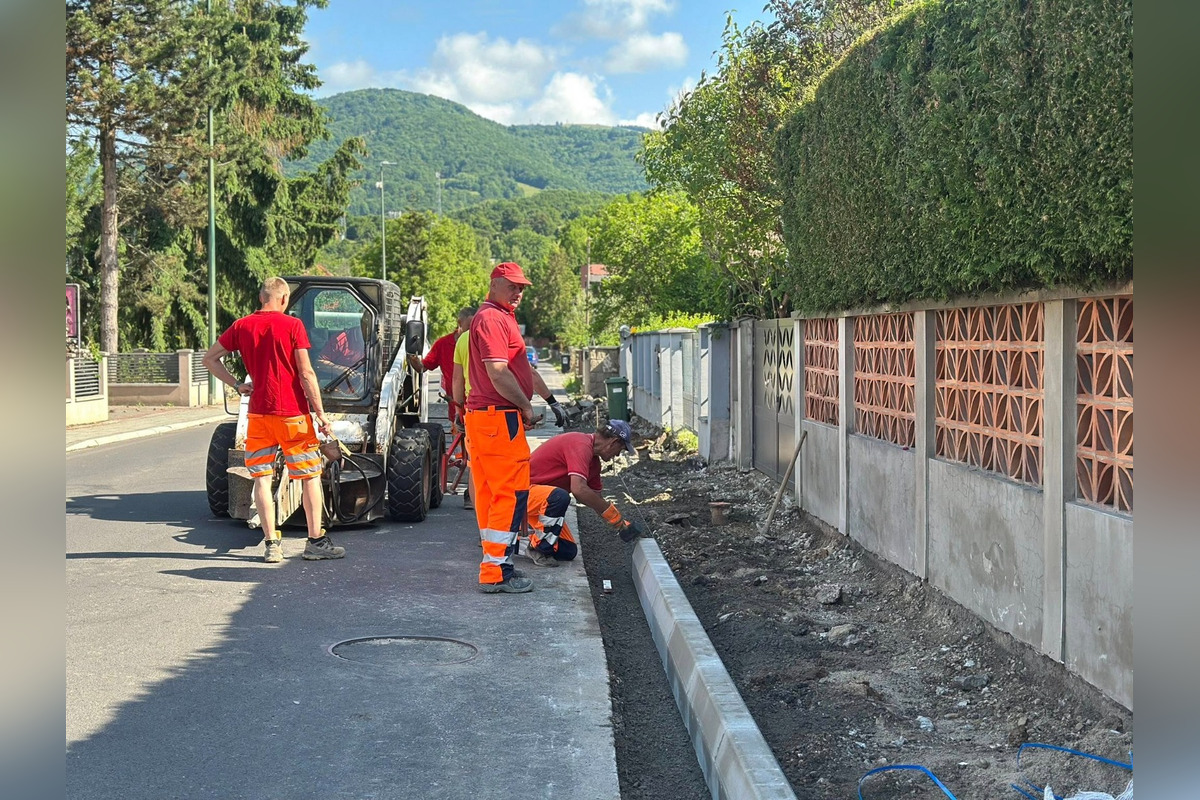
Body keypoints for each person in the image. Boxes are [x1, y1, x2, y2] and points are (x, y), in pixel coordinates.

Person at [201, 277, 346, 564]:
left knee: (262, 479)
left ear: (261, 297)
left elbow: (210, 359)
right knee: (310, 478)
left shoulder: (241, 326)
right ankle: (315, 541)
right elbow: (306, 374)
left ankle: (271, 545)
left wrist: (236, 384)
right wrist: (320, 416)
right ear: (284, 299)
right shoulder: (292, 326)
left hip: (258, 415)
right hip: (293, 415)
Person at [463, 262, 567, 594]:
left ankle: (494, 566)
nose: (519, 293)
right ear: (494, 285)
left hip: (485, 419)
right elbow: (498, 372)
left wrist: (550, 401)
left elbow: (523, 370)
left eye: (522, 288)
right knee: (510, 494)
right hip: (499, 419)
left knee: (491, 495)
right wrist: (525, 405)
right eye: (512, 286)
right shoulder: (493, 319)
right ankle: (497, 572)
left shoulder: (499, 317)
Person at [523, 420, 645, 567]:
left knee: (568, 551)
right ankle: (535, 549)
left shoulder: (593, 464)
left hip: (540, 503)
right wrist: (614, 517)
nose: (618, 454)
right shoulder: (579, 443)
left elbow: (596, 499)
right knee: (560, 497)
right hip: (521, 494)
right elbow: (579, 490)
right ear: (614, 442)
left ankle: (519, 541)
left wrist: (620, 524)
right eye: (621, 448)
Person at [407, 306, 475, 424]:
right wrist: (413, 356)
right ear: (459, 323)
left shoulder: (480, 342)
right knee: (459, 440)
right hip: (457, 409)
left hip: (478, 407)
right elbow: (422, 367)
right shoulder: (443, 344)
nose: (473, 330)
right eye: (469, 327)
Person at [315, 312, 368, 395]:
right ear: (362, 323)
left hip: (366, 389)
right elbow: (319, 362)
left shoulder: (378, 341)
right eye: (367, 326)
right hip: (338, 388)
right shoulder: (341, 339)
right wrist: (341, 370)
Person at [451, 327, 474, 510]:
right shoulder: (503, 332)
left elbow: (458, 380)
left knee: (476, 463)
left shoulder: (463, 339)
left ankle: (473, 499)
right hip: (503, 410)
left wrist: (459, 412)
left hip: (473, 410)